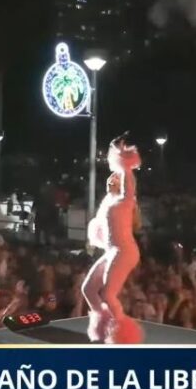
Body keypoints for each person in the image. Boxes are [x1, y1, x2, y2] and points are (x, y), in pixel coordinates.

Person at [81, 137, 144, 344]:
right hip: (112, 252)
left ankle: (123, 334)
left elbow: (129, 181)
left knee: (108, 294)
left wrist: (123, 164)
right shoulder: (107, 203)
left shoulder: (126, 201)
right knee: (88, 289)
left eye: (115, 178)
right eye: (110, 178)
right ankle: (104, 323)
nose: (111, 180)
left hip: (125, 252)